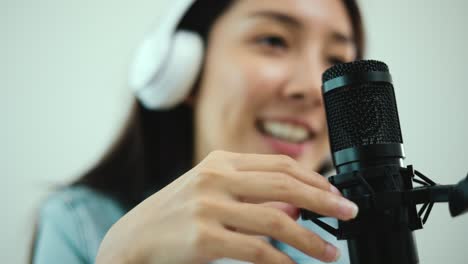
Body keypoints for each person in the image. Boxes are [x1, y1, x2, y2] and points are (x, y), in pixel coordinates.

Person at [31, 0, 365, 263]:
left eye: (336, 60)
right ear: (183, 71)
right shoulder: (81, 223)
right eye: (273, 40)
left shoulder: (355, 241)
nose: (312, 87)